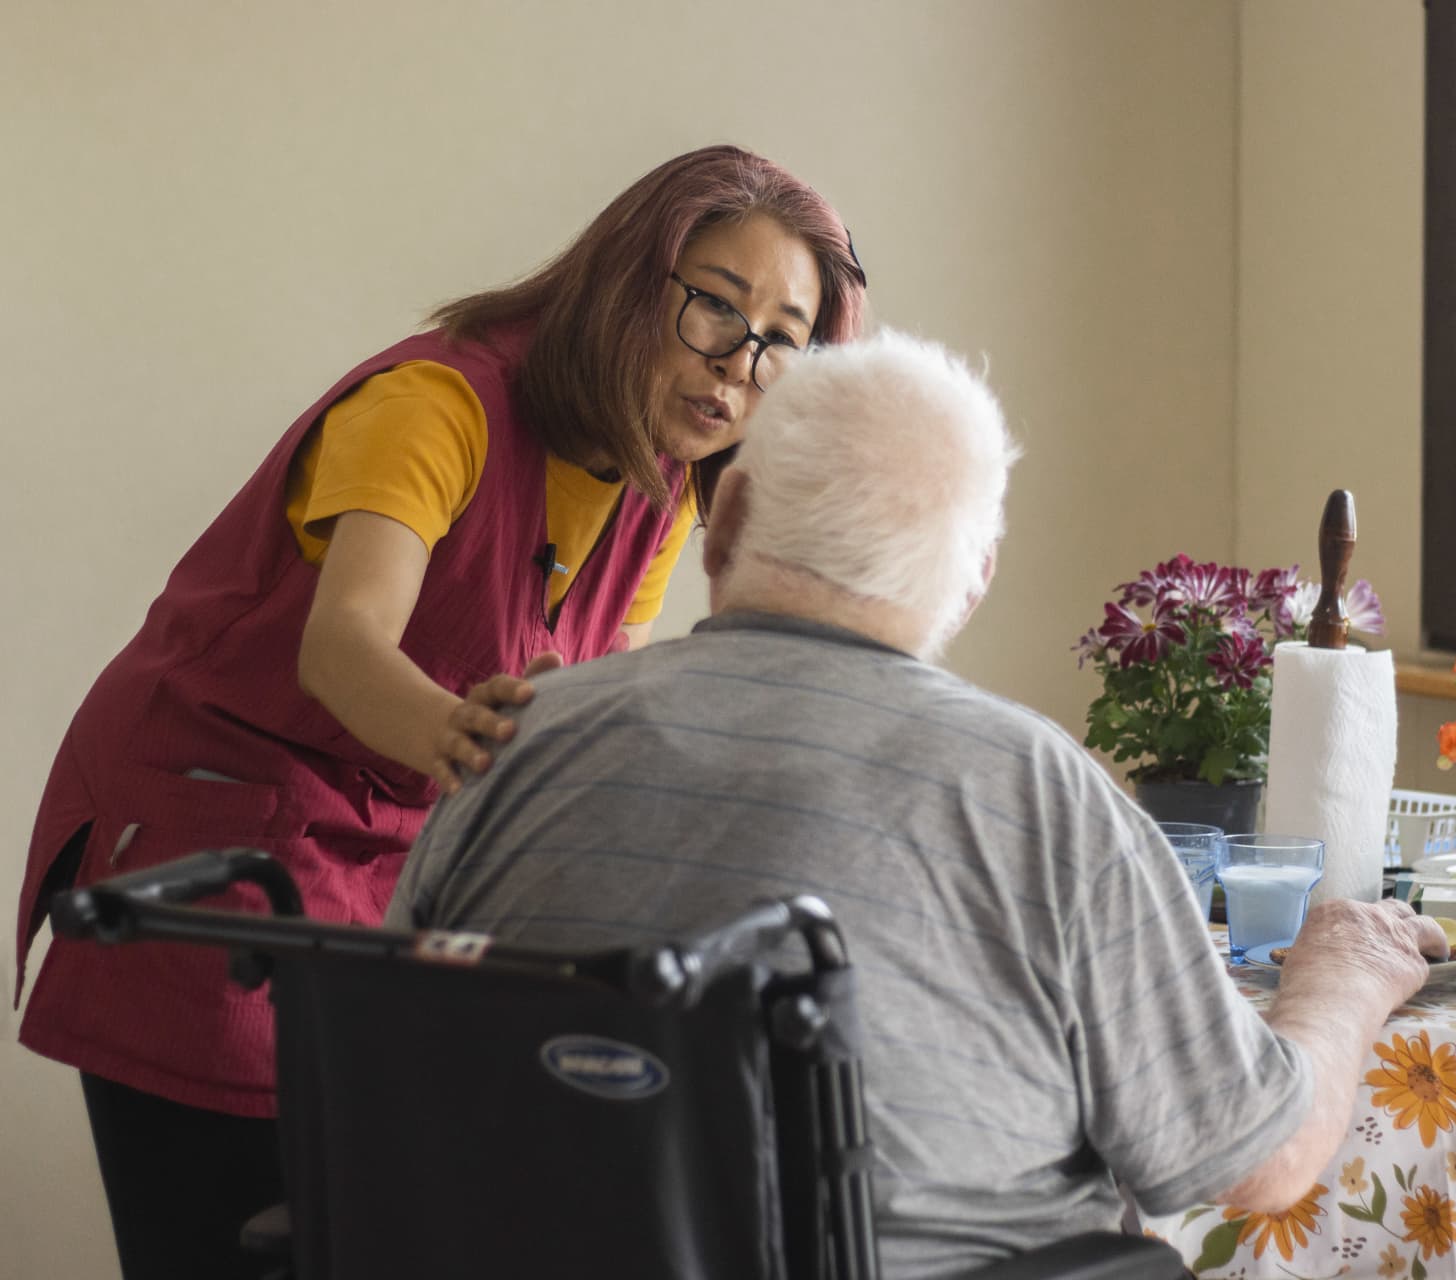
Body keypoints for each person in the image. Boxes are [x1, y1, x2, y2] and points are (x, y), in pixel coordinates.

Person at [387, 330, 1446, 1276]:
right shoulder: (1037, 793)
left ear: (731, 519)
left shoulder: (514, 738)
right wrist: (1343, 980)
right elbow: (1257, 1160)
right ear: (972, 579)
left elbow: (395, 1076)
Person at [14, 143, 867, 1279]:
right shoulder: (438, 402)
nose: (735, 366)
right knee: (235, 1229)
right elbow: (346, 644)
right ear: (630, 277)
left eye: (779, 342)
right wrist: (480, 738)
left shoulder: (658, 486)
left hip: (396, 852)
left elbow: (592, 676)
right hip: (206, 830)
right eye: (713, 306)